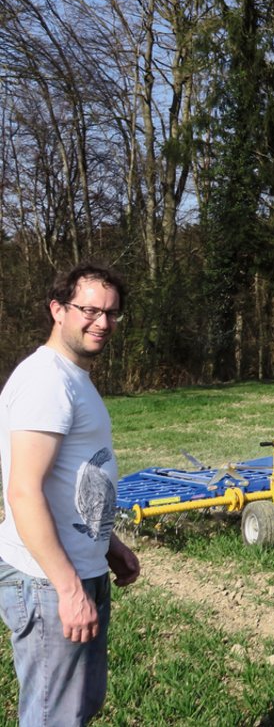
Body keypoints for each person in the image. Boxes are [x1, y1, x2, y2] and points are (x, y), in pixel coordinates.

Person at [0, 263, 141, 725]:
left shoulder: (73, 377)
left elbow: (71, 479)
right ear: (57, 310)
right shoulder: (47, 381)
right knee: (53, 717)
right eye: (90, 310)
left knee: (77, 708)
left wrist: (107, 544)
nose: (103, 323)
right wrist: (68, 588)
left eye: (112, 313)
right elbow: (23, 491)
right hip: (48, 583)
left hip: (78, 571)